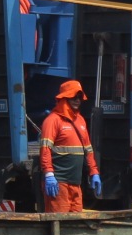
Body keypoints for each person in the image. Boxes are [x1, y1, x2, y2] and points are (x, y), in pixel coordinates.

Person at [39, 79, 101, 214]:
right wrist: (49, 174)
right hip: (58, 183)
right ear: (64, 98)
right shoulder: (52, 121)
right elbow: (45, 150)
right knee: (59, 224)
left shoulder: (80, 121)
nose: (77, 100)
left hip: (75, 183)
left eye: (79, 97)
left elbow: (88, 151)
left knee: (75, 225)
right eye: (74, 96)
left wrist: (94, 172)